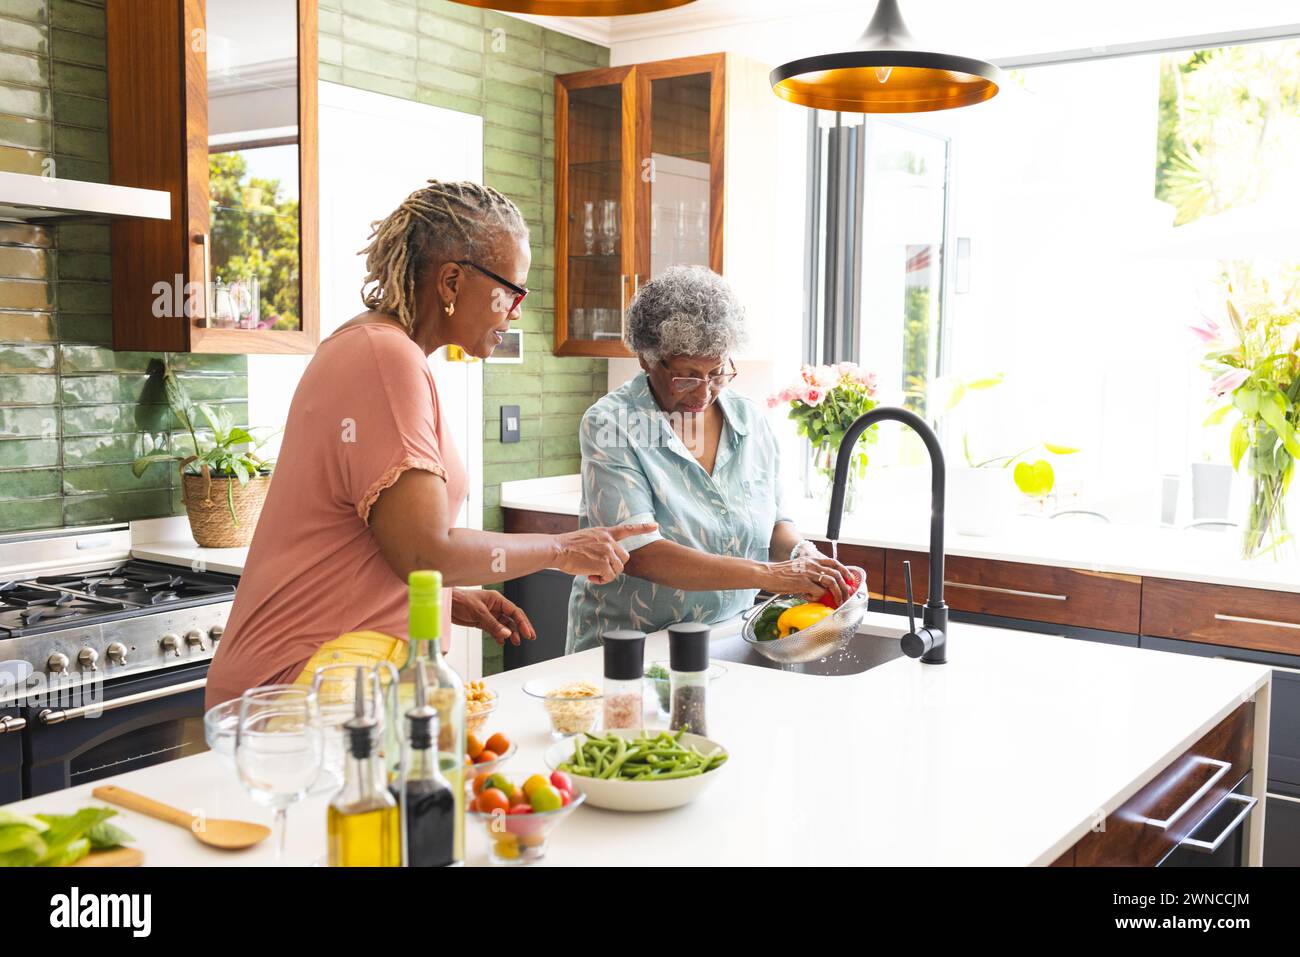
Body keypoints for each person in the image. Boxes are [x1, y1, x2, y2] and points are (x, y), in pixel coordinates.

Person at [206, 181, 652, 706]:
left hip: (321, 675)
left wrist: (442, 599)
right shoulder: (384, 359)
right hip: (302, 684)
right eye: (512, 291)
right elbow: (424, 550)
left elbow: (389, 546)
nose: (515, 312)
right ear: (451, 281)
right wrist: (563, 549)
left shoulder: (377, 350)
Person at [565, 265, 852, 653]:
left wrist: (804, 555)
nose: (703, 393)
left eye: (717, 373)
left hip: (728, 640)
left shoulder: (750, 421)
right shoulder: (613, 424)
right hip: (631, 648)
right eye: (686, 375)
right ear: (647, 360)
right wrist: (775, 575)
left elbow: (774, 526)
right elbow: (643, 554)